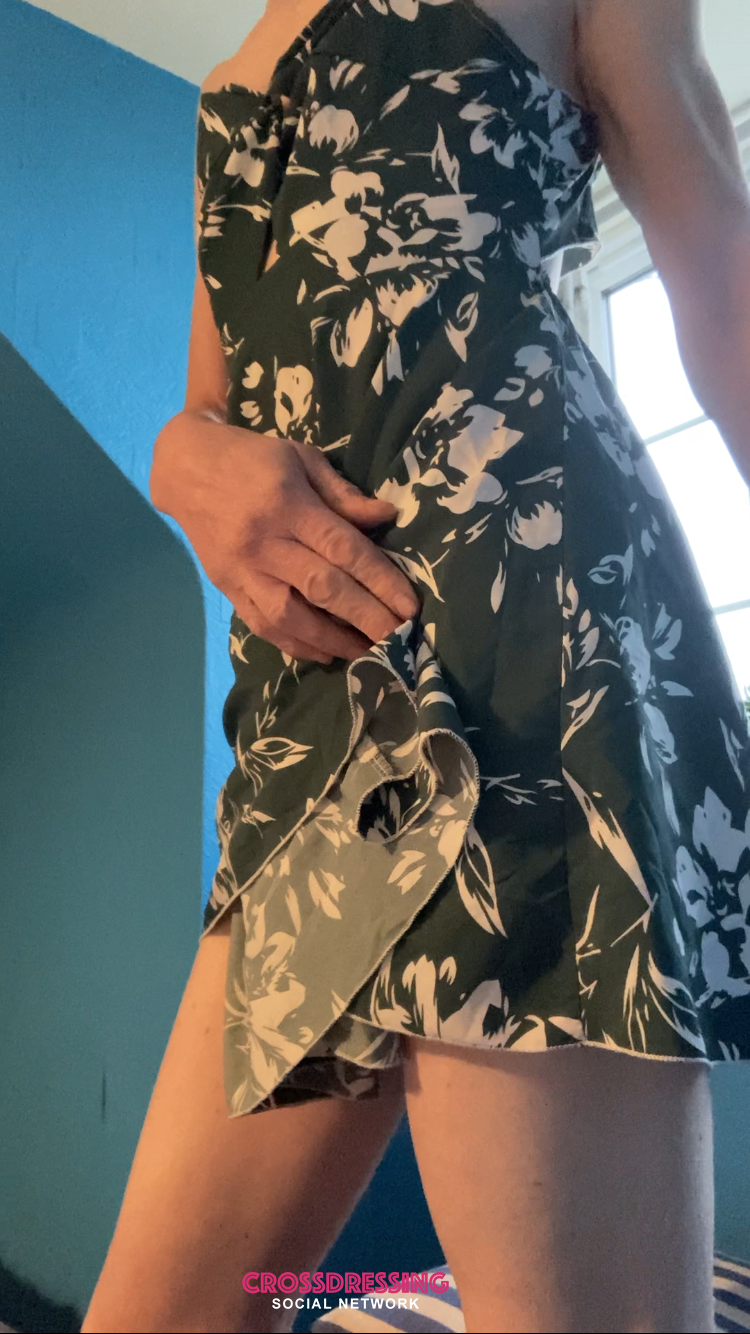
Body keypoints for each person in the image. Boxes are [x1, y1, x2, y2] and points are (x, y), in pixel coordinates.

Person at [82, 2, 750, 1331]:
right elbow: (212, 404)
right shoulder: (231, 69)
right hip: (305, 718)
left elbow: (725, 286)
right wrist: (176, 460)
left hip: (525, 647)